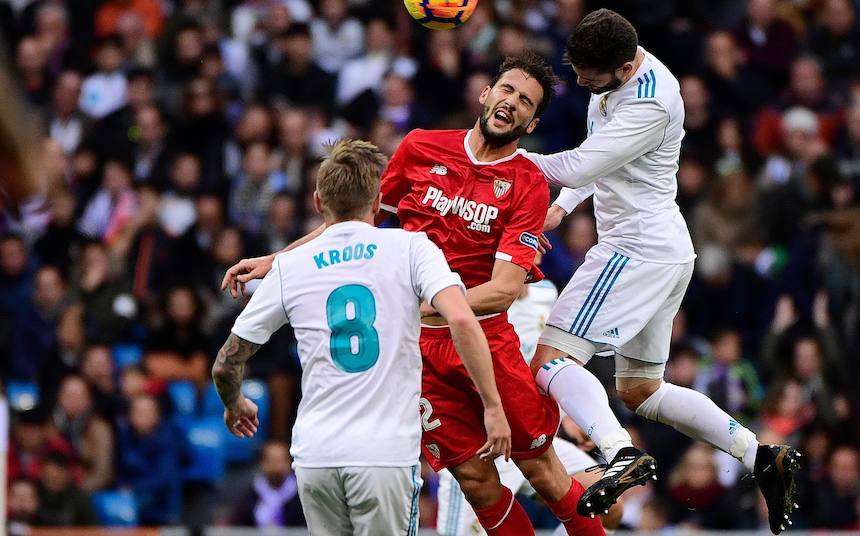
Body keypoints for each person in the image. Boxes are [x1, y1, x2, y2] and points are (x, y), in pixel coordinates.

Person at [222, 53, 605, 536]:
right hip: (418, 355)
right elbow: (350, 219)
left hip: (486, 342)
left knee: (542, 471)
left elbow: (505, 290)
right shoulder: (421, 146)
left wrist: (427, 303)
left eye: (526, 101)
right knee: (476, 482)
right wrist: (277, 259)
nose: (512, 102)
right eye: (507, 89)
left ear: (531, 123)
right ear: (486, 94)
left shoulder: (526, 183)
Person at [524, 8, 800, 533]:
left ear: (625, 68)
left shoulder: (651, 99)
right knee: (641, 390)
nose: (580, 84)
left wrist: (491, 156)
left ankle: (618, 452)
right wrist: (561, 207)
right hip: (663, 251)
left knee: (549, 360)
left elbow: (579, 163)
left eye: (589, 77)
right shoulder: (613, 74)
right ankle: (759, 455)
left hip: (633, 251)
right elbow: (599, 161)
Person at [211, 139, 511, 536]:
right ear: (378, 201)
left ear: (318, 202)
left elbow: (226, 363)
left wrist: (234, 403)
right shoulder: (411, 248)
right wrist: (492, 405)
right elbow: (460, 318)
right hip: (383, 456)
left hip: (316, 457)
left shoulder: (290, 266)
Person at [437, 272, 625, 535]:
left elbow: (552, 361)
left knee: (607, 504)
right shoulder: (471, 297)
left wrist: (568, 415)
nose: (538, 252)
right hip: (484, 443)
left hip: (532, 438)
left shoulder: (546, 292)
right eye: (530, 248)